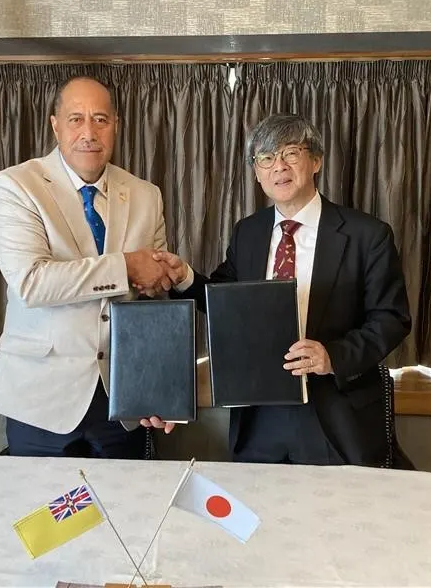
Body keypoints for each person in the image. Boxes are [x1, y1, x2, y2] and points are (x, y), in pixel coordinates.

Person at [152, 113, 412, 466]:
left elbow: (391, 318)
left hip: (334, 413)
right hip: (258, 415)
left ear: (316, 161)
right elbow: (224, 299)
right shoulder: (249, 232)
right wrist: (184, 275)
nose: (279, 167)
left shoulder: (367, 235)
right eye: (266, 158)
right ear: (257, 172)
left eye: (291, 153)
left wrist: (333, 356)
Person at [0, 76, 177, 458]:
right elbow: (33, 283)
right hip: (40, 402)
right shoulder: (15, 185)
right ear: (55, 124)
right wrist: (126, 268)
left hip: (123, 404)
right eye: (76, 119)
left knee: (124, 514)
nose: (89, 132)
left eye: (100, 119)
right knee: (46, 515)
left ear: (116, 125)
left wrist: (158, 386)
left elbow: (154, 304)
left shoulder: (145, 194)